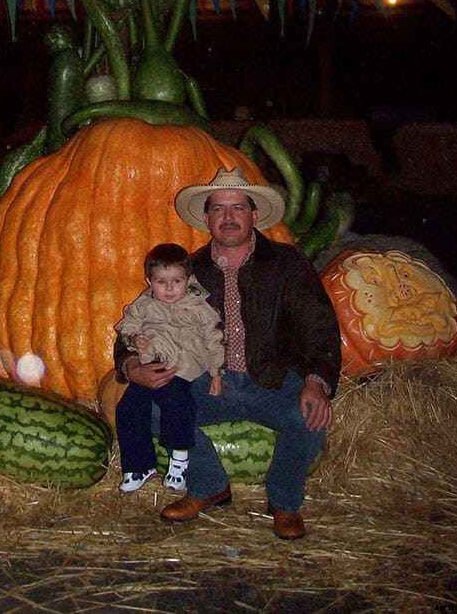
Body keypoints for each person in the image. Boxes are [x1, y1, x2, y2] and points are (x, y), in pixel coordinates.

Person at [114, 167, 341, 539]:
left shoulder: (288, 265)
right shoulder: (187, 272)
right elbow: (135, 321)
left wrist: (317, 381)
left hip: (272, 379)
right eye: (219, 209)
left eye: (238, 208)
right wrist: (132, 365)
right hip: (206, 383)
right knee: (151, 408)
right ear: (206, 219)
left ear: (254, 215)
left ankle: (284, 503)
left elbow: (320, 328)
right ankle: (209, 486)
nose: (229, 217)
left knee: (310, 417)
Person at [114, 243, 225, 494]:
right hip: (151, 363)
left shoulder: (199, 307)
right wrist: (135, 339)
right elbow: (127, 328)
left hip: (184, 367)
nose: (170, 288)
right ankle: (139, 465)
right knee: (129, 405)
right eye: (161, 282)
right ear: (149, 281)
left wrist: (217, 374)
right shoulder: (144, 304)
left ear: (189, 279)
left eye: (177, 281)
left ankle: (179, 457)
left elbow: (214, 340)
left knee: (176, 402)